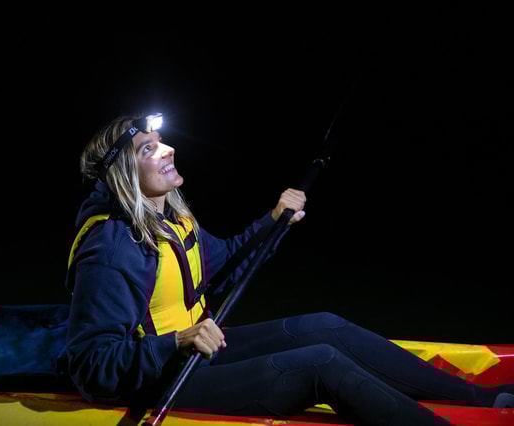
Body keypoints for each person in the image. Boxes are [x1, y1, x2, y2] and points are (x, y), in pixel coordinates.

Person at [63, 112, 513, 425]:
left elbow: (223, 266)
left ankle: (481, 398)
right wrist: (176, 341)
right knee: (320, 363)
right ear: (123, 172)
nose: (169, 150)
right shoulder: (110, 250)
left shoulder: (172, 220)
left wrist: (273, 221)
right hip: (159, 380)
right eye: (149, 148)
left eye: (162, 141)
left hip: (195, 355)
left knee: (324, 326)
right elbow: (91, 366)